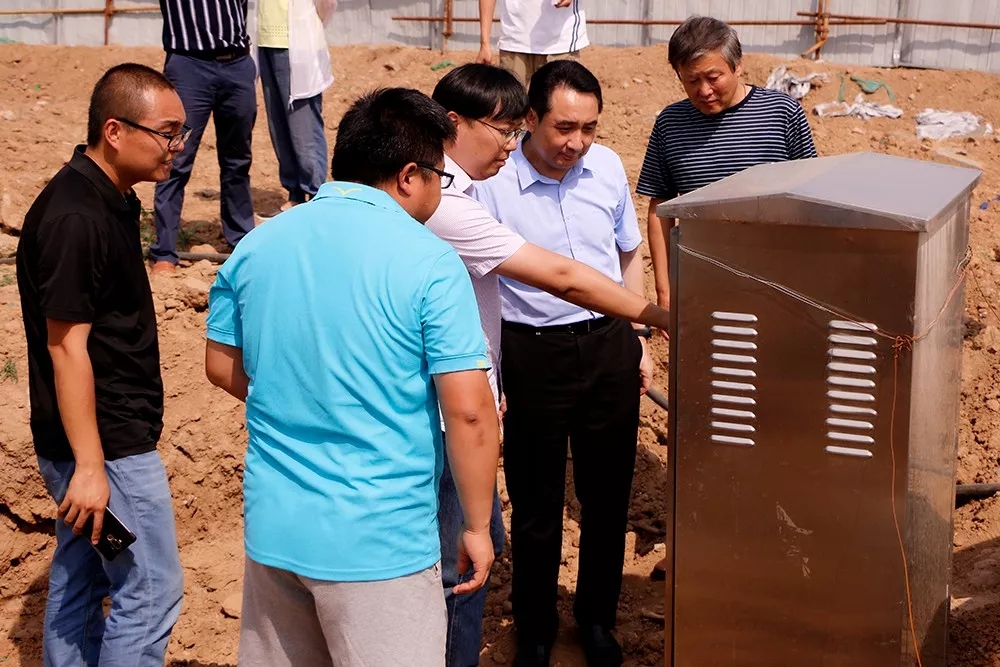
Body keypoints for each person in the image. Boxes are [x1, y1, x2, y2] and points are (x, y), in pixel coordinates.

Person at [204, 87, 501, 667]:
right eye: (440, 177)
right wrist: (475, 524)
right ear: (410, 175)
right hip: (380, 542)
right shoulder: (429, 261)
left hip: (276, 529)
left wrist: (306, 398)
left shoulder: (258, 245)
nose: (440, 192)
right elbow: (469, 412)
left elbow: (220, 365)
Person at [426, 62, 668, 667]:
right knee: (535, 502)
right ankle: (535, 627)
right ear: (529, 118)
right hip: (531, 351)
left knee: (606, 498)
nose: (576, 143)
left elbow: (627, 252)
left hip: (608, 344)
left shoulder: (606, 167)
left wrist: (636, 335)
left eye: (589, 128)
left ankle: (596, 620)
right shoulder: (490, 180)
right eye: (563, 127)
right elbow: (542, 276)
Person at [16, 63, 187, 667]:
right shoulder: (76, 219)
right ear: (114, 131)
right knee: (151, 590)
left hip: (94, 440)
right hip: (107, 448)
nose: (177, 146)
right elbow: (66, 348)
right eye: (167, 133)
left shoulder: (105, 199)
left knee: (82, 581)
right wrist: (91, 467)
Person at [637, 15, 817, 309]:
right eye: (691, 80)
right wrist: (665, 291)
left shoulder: (782, 114)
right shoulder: (671, 124)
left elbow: (812, 198)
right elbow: (661, 208)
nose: (704, 91)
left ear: (738, 65)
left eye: (713, 78)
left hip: (779, 278)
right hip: (701, 275)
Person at [151, 0, 258, 273]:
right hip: (189, 65)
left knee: (238, 159)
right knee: (175, 158)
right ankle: (164, 251)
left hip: (237, 62)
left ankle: (241, 240)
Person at [249, 0, 335, 217]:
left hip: (296, 42)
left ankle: (315, 194)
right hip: (266, 42)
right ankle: (295, 193)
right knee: (278, 124)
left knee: (303, 126)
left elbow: (326, 4)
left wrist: (312, 25)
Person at [476, 0, 588, 84]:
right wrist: (484, 43)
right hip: (514, 40)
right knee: (512, 106)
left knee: (559, 106)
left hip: (560, 43)